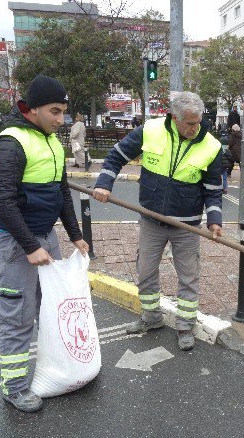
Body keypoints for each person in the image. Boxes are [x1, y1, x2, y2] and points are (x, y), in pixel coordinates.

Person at [0, 75, 88, 412]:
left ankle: (57, 370)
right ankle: (14, 387)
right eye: (55, 111)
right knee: (19, 316)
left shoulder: (51, 141)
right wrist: (31, 247)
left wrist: (75, 235)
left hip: (44, 236)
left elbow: (61, 192)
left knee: (53, 308)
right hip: (15, 242)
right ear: (32, 109)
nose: (62, 120)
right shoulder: (10, 142)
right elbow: (3, 202)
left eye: (64, 112)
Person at [92, 91, 223, 351]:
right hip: (152, 219)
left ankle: (186, 325)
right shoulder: (150, 130)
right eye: (189, 123)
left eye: (198, 122)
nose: (194, 128)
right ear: (174, 118)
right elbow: (116, 156)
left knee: (188, 276)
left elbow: (213, 189)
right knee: (146, 270)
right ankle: (151, 318)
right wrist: (105, 184)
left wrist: (214, 220)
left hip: (186, 225)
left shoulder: (211, 146)